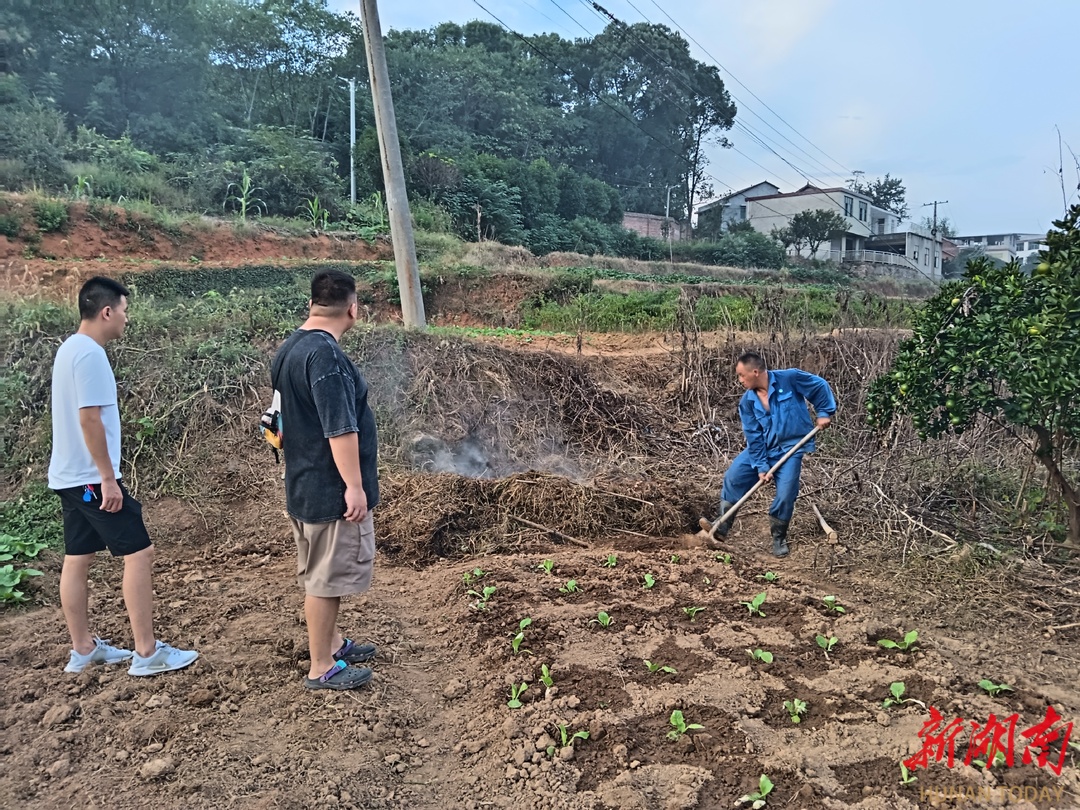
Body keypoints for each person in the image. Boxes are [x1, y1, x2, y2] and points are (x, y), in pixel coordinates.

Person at [49, 276, 199, 676]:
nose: (127, 320)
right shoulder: (91, 355)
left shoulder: (68, 349)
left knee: (78, 557)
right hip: (89, 477)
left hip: (68, 475)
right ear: (106, 311)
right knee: (139, 552)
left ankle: (84, 649)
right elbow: (89, 419)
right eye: (125, 312)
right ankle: (147, 653)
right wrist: (107, 478)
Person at [271, 270, 380, 691]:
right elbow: (340, 428)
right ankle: (321, 667)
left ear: (312, 304)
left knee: (317, 568)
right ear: (353, 309)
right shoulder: (327, 358)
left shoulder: (289, 349)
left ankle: (332, 642)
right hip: (328, 487)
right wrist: (353, 486)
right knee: (325, 579)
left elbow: (279, 419)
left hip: (301, 479)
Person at [710, 352, 836, 557]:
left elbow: (819, 386)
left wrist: (824, 413)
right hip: (763, 448)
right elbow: (753, 436)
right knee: (733, 477)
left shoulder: (790, 378)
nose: (740, 380)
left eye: (742, 375)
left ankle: (779, 537)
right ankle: (722, 526)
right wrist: (761, 467)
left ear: (755, 372)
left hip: (790, 448)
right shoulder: (747, 402)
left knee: (786, 494)